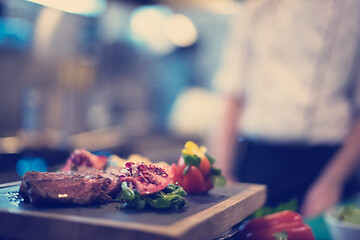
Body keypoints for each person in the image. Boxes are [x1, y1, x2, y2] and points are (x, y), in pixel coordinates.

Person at [209, 0, 360, 218]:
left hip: (328, 163)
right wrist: (222, 170)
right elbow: (232, 94)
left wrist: (333, 181)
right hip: (258, 163)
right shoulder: (256, 6)